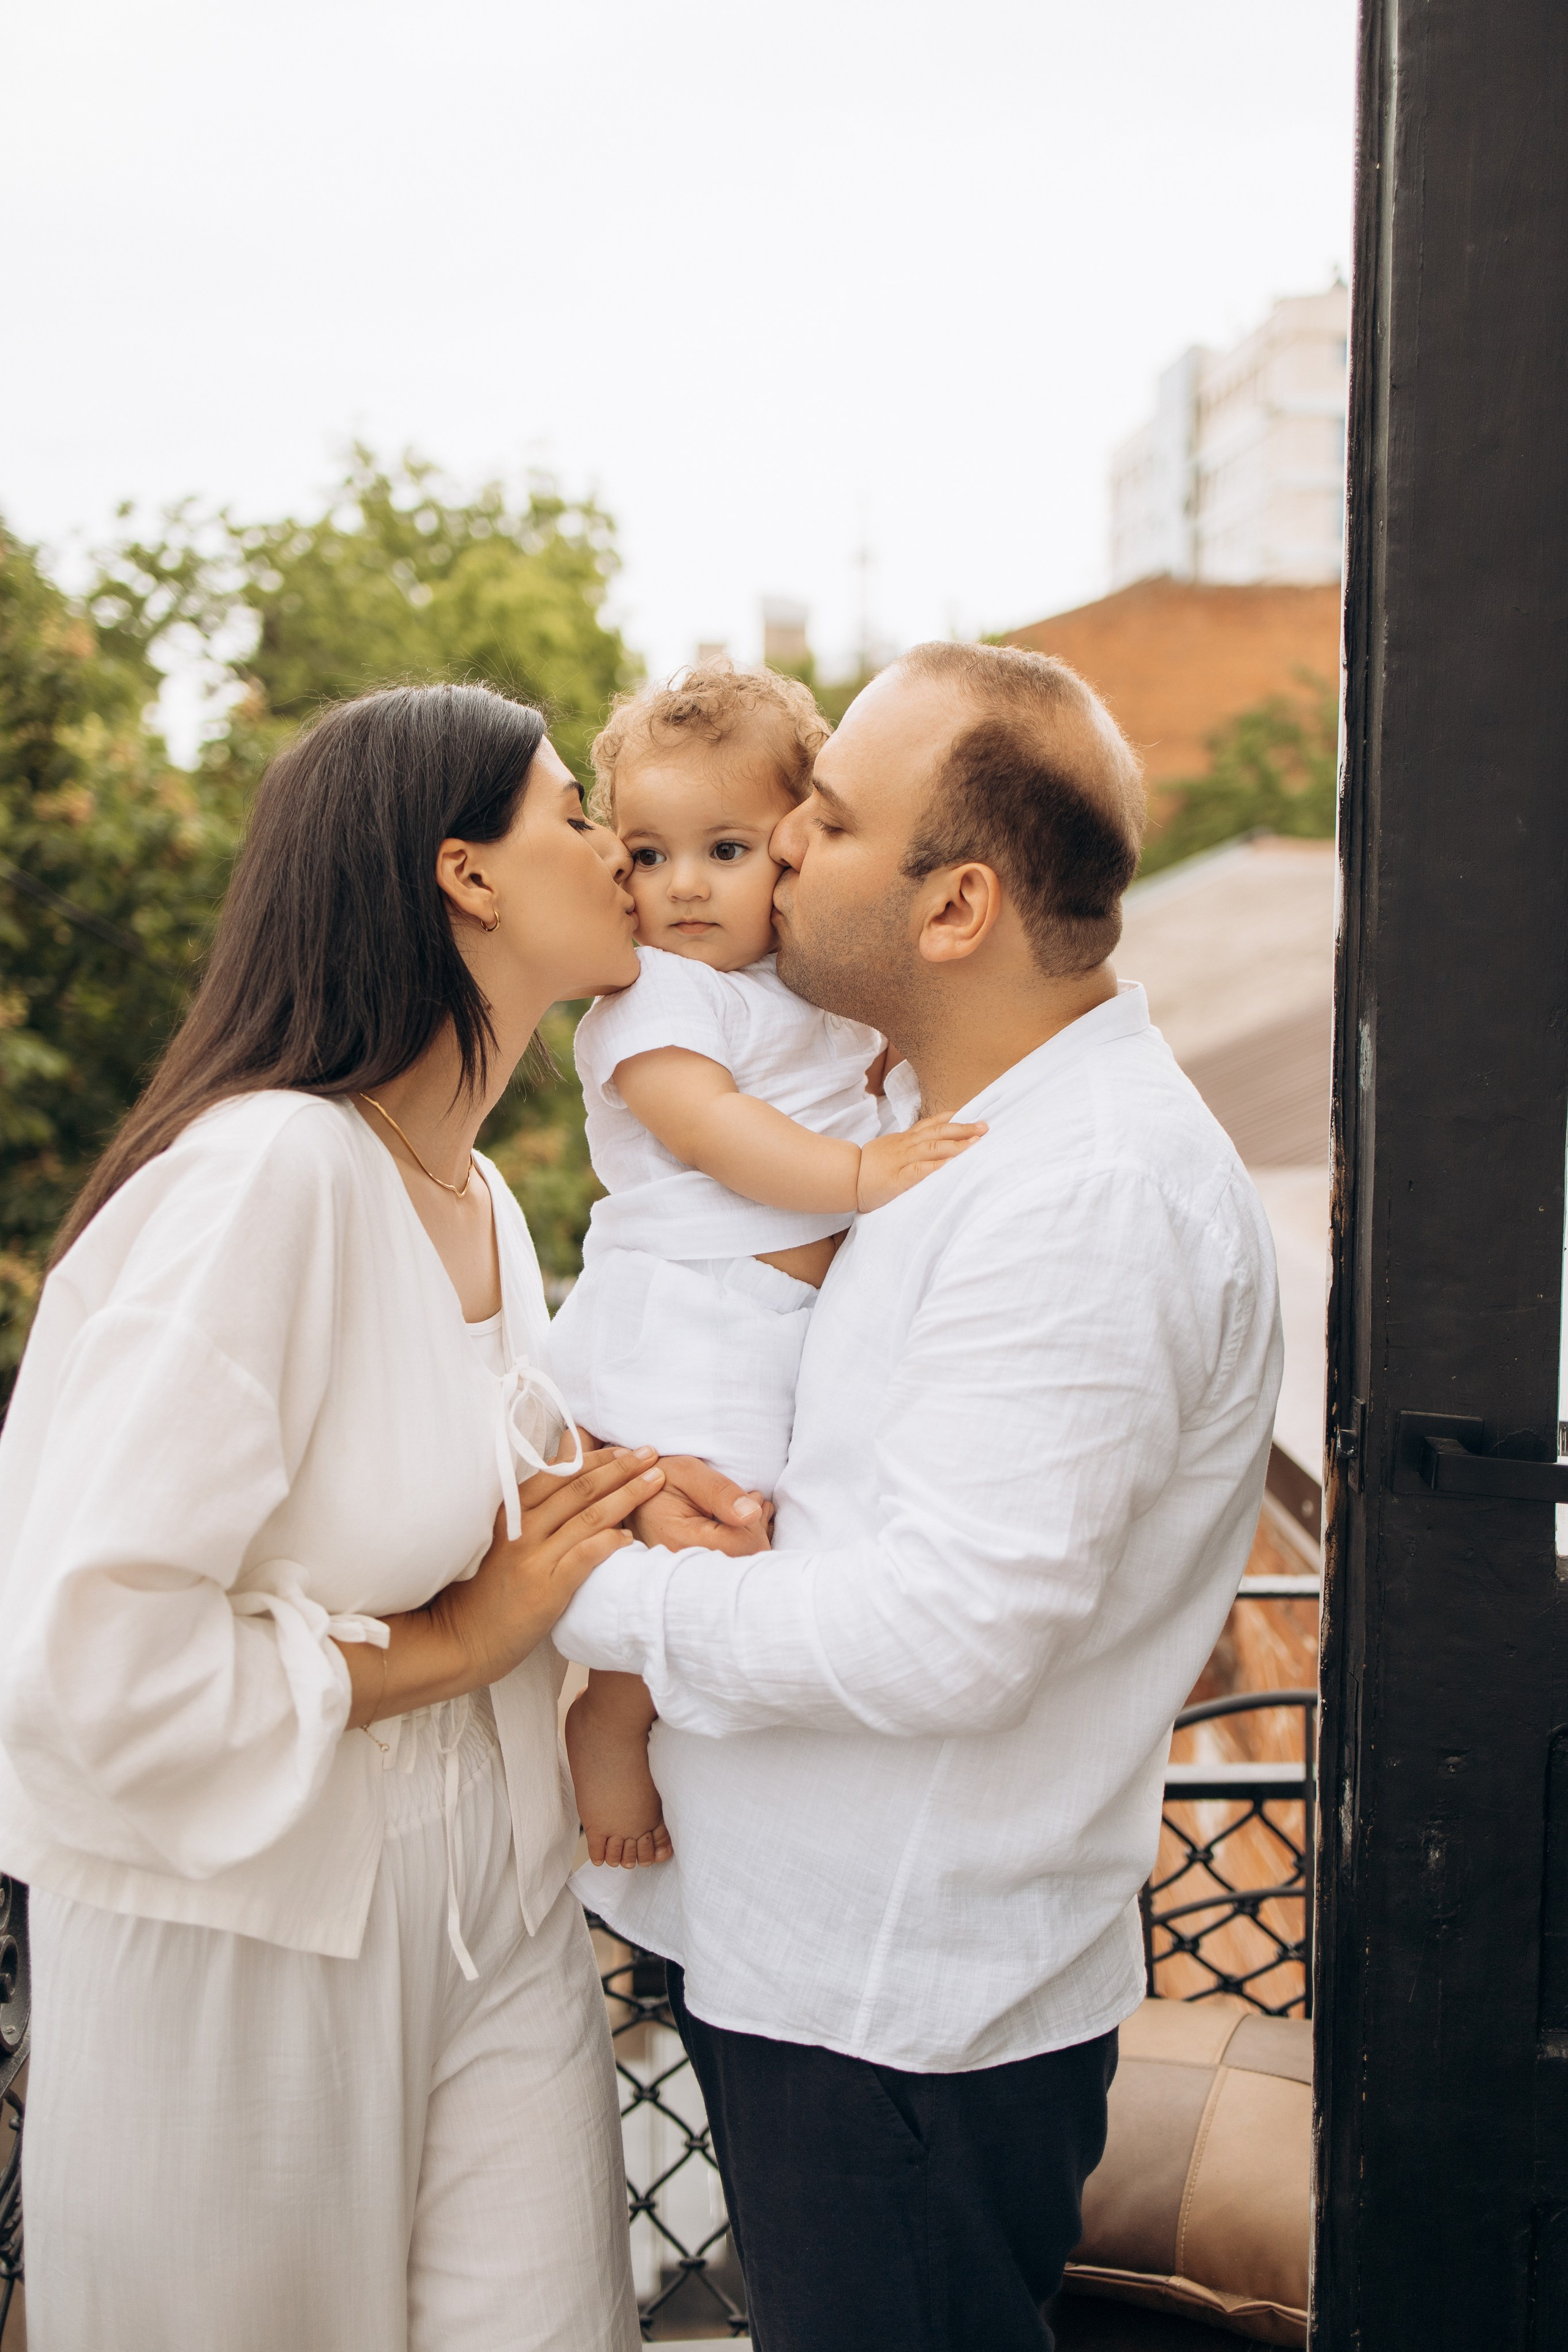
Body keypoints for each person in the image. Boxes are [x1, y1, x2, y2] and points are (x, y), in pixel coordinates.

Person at [0, 683, 759, 2352]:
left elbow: (486, 1516)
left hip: (495, 1898)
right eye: (577, 816)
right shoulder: (266, 1173)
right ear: (465, 876)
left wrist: (633, 1504)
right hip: (245, 1933)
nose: (626, 859)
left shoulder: (481, 1194)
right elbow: (84, 1659)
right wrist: (449, 1644)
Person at [558, 642, 1284, 2352]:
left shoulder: (1084, 1201)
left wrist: (577, 1587)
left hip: (896, 2014)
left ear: (955, 908)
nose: (780, 840)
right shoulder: (957, 1129)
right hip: (840, 1978)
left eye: (827, 815)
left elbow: (945, 1637)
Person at [552, 663, 984, 1867]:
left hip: (771, 1319)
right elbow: (706, 1128)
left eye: (727, 849)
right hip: (694, 1315)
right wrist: (858, 1181)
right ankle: (610, 1721)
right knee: (711, 1524)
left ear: (791, 845)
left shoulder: (801, 991)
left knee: (764, 1525)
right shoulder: (656, 998)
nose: (682, 886)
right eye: (647, 854)